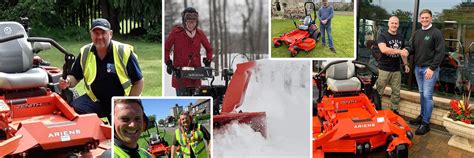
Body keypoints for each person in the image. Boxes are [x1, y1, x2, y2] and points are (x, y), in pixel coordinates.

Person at [59, 18, 144, 121]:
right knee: (72, 111)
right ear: (91, 34)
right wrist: (67, 81)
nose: (99, 37)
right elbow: (75, 77)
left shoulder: (123, 51)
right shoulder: (85, 52)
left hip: (120, 101)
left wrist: (128, 104)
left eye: (103, 33)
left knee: (121, 129)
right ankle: (93, 133)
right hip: (95, 99)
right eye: (96, 33)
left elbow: (139, 81)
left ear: (110, 34)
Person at [404, 9, 445, 135]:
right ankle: (422, 116)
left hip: (429, 70)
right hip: (418, 68)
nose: (424, 19)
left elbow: (440, 52)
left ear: (431, 18)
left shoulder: (436, 33)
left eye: (427, 17)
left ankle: (426, 124)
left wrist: (432, 68)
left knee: (427, 96)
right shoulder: (417, 33)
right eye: (422, 18)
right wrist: (406, 50)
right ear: (419, 19)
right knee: (422, 94)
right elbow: (412, 48)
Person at [165, 7, 213, 96]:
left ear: (196, 22)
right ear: (184, 21)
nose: (191, 24)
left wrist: (208, 60)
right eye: (189, 21)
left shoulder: (200, 34)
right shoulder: (176, 33)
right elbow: (166, 48)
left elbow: (209, 49)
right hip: (180, 74)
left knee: (196, 97)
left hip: (196, 75)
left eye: (193, 21)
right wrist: (168, 62)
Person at [375, 16, 409, 115]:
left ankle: (394, 110)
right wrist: (399, 51)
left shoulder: (401, 37)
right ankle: (377, 109)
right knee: (379, 91)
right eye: (392, 23)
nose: (394, 25)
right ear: (388, 24)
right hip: (384, 68)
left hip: (396, 69)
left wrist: (405, 64)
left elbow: (403, 53)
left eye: (396, 23)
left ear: (398, 25)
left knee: (396, 92)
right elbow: (384, 50)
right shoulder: (382, 36)